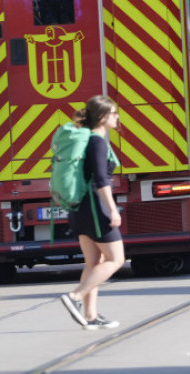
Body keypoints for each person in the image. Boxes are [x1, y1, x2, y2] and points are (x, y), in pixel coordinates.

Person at [58, 95, 124, 330]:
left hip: (82, 208)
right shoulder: (96, 141)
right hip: (95, 208)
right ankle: (74, 297)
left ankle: (90, 315)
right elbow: (101, 179)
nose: (117, 117)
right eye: (114, 113)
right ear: (103, 117)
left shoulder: (89, 139)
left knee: (94, 262)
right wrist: (112, 210)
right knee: (117, 259)